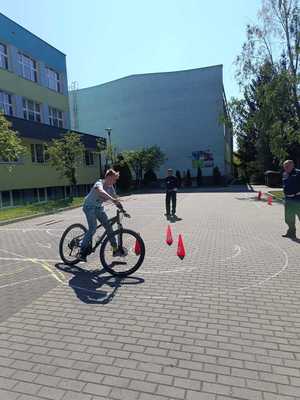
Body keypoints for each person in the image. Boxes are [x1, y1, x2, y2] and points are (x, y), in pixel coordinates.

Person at [79, 169, 123, 261]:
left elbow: (115, 199)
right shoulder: (99, 183)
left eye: (115, 180)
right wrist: (112, 199)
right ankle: (82, 252)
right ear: (108, 177)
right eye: (114, 179)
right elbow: (100, 191)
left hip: (98, 208)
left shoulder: (111, 187)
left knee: (109, 226)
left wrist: (122, 209)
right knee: (93, 228)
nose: (115, 181)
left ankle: (115, 249)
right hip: (89, 207)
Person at [282, 160, 300, 239]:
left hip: (297, 199)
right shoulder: (284, 174)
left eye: (287, 166)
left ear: (292, 165)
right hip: (288, 199)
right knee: (288, 218)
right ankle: (291, 233)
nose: (286, 168)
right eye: (284, 166)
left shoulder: (298, 173)